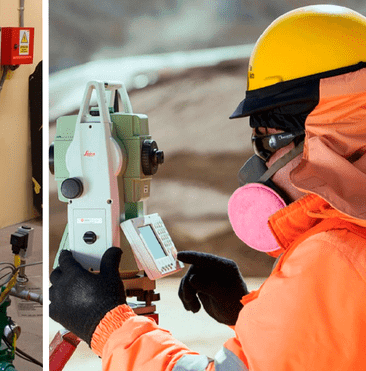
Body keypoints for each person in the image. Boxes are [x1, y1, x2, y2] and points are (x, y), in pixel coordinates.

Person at [50, 5, 366, 370]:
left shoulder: (334, 256)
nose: (256, 170)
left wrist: (108, 325)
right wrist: (252, 311)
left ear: (328, 137)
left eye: (266, 144)